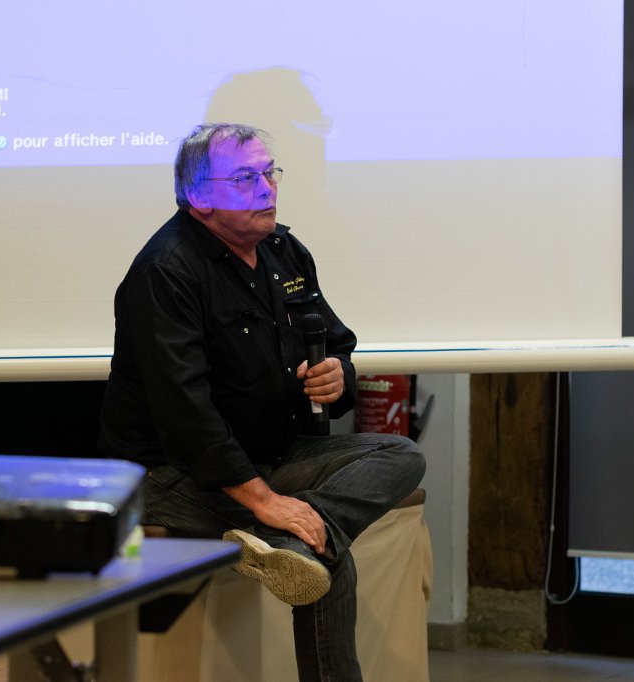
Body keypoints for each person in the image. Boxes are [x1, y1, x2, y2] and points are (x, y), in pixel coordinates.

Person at [97, 122, 426, 681]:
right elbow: (185, 413)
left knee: (400, 455)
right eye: (245, 178)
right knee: (326, 556)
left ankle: (292, 541)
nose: (267, 188)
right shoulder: (165, 272)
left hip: (271, 453)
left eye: (270, 173)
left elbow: (337, 344)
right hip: (171, 474)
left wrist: (336, 376)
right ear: (198, 196)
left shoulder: (283, 250)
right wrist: (265, 502)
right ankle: (297, 540)